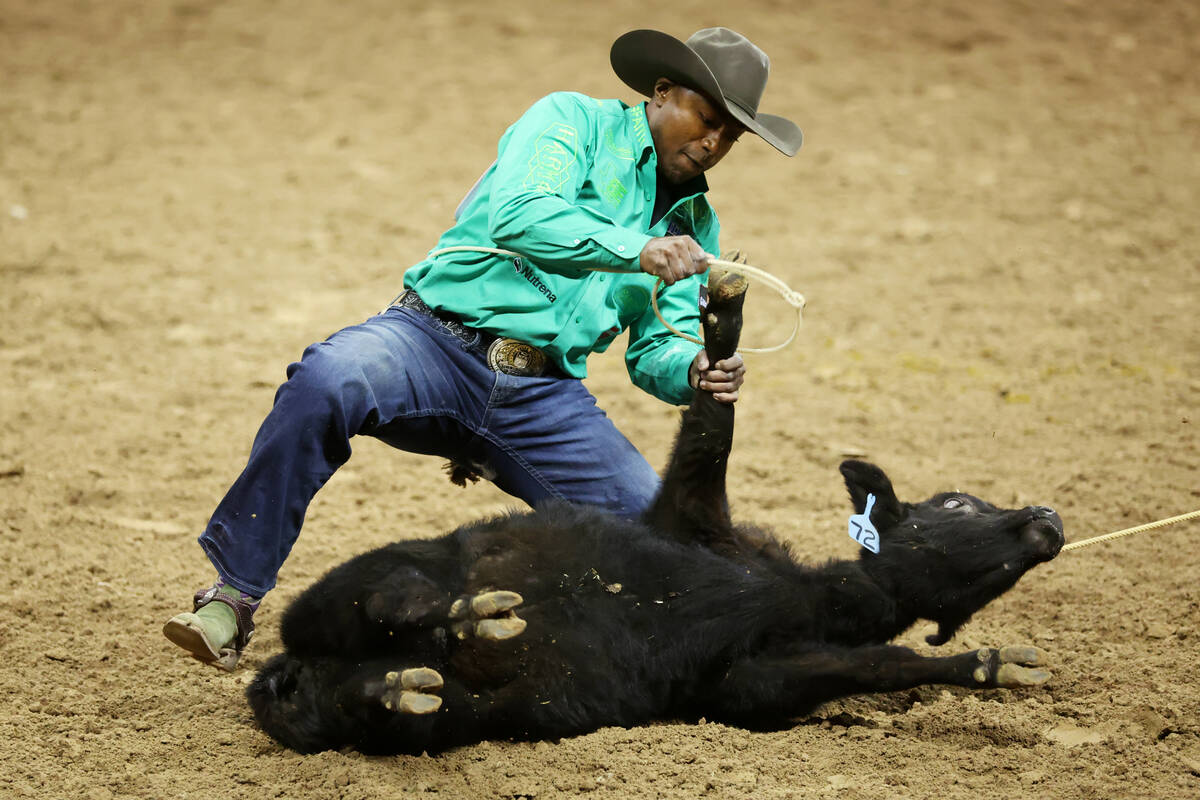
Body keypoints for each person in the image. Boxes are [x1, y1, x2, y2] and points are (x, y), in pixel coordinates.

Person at [163, 27, 804, 670]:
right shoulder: (570, 121)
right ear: (662, 93)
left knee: (654, 535)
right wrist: (633, 248)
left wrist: (688, 368)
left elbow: (654, 342)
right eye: (706, 117)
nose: (714, 141)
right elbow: (522, 212)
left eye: (731, 135)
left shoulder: (694, 224)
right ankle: (232, 597)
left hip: (542, 395)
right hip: (432, 341)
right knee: (329, 380)